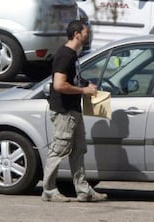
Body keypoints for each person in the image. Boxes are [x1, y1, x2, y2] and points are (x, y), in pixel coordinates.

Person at [42, 20, 108, 202]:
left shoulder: (72, 54)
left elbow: (72, 79)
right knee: (58, 150)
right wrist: (83, 91)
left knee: (78, 150)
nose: (88, 35)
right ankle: (48, 190)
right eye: (86, 32)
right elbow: (59, 84)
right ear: (77, 34)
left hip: (74, 110)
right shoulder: (65, 55)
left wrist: (86, 84)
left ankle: (83, 190)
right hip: (64, 111)